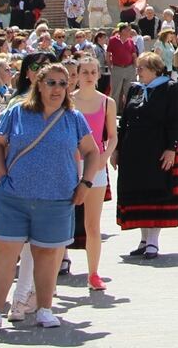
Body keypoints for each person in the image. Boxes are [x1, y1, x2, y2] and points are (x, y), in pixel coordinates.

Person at [0, 62, 99, 332]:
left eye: (63, 84)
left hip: (56, 198)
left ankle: (44, 309)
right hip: (15, 197)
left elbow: (92, 151)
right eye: (51, 83)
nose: (57, 89)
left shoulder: (73, 118)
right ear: (38, 84)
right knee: (6, 254)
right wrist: (2, 177)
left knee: (47, 255)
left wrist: (85, 183)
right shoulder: (18, 112)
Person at [113, 52, 178, 259]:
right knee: (137, 194)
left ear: (154, 69)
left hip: (158, 149)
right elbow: (124, 119)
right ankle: (144, 240)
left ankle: (153, 241)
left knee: (157, 193)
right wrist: (117, 149)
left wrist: (171, 147)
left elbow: (176, 119)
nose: (138, 72)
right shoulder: (135, 88)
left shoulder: (170, 88)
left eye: (141, 68)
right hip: (134, 151)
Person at [69, 54, 116, 291]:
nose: (89, 76)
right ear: (76, 74)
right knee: (63, 222)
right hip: (68, 166)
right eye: (84, 72)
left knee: (93, 224)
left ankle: (94, 273)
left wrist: (104, 158)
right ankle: (55, 269)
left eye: (93, 72)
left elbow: (112, 136)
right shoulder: (68, 100)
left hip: (95, 167)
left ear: (99, 74)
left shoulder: (107, 102)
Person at [106, 23, 139, 108]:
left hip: (129, 68)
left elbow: (134, 55)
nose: (130, 32)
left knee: (129, 91)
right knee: (115, 92)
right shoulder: (113, 40)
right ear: (123, 30)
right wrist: (111, 67)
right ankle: (114, 112)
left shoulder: (130, 41)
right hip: (117, 68)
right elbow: (108, 53)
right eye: (128, 30)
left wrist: (135, 67)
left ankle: (128, 111)